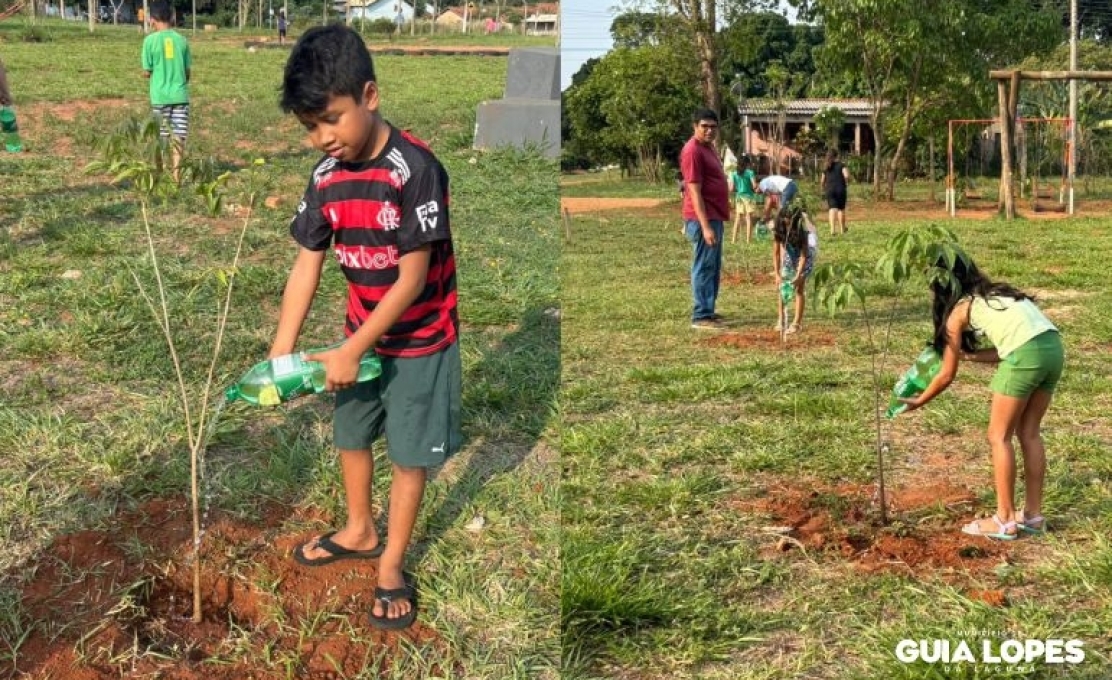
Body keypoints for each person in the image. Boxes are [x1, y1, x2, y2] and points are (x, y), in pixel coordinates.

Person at [274, 24, 461, 631]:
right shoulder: (327, 178)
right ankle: (358, 528)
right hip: (360, 337)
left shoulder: (416, 170)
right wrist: (282, 351)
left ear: (370, 96)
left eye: (331, 119)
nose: (323, 138)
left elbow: (411, 280)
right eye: (309, 127)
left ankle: (392, 563)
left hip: (419, 341)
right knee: (351, 435)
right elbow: (308, 264)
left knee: (408, 454)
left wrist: (353, 348)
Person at [898, 256, 1063, 541]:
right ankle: (1033, 516)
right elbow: (1014, 346)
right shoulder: (1001, 294)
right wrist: (970, 355)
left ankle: (1004, 519)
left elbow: (946, 375)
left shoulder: (959, 311)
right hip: (1053, 349)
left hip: (1025, 356)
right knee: (1030, 433)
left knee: (999, 436)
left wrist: (920, 400)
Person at [680, 108, 730, 330]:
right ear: (695, 127)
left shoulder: (708, 148)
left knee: (712, 266)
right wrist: (705, 226)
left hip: (714, 216)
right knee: (703, 266)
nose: (709, 130)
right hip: (704, 219)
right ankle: (700, 315)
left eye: (713, 126)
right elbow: (694, 190)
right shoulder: (693, 151)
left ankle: (708, 310)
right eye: (704, 126)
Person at [141, 1, 191, 183]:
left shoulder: (149, 41)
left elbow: (147, 71)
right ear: (172, 17)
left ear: (152, 19)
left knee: (160, 137)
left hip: (160, 98)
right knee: (179, 136)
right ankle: (176, 175)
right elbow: (187, 73)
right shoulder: (182, 41)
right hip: (180, 96)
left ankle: (159, 171)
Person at [772, 206, 817, 334]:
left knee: (799, 289)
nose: (787, 225)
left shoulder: (802, 232)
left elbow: (803, 255)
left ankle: (796, 323)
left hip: (805, 257)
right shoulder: (778, 231)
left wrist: (798, 276)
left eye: (790, 223)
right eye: (785, 222)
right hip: (789, 256)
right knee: (782, 288)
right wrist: (777, 274)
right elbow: (776, 254)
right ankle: (781, 320)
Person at [728, 156, 759, 244]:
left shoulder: (733, 173)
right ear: (747, 164)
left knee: (737, 219)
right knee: (748, 219)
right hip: (749, 197)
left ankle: (733, 240)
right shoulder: (750, 173)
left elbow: (731, 188)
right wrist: (756, 186)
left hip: (739, 197)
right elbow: (754, 186)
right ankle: (748, 241)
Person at [820, 149, 851, 236]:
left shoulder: (826, 167)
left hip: (829, 190)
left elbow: (822, 181)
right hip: (840, 189)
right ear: (837, 156)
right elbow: (847, 175)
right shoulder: (841, 165)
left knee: (832, 209)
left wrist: (823, 189)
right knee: (841, 209)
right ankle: (842, 229)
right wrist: (847, 181)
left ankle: (832, 230)